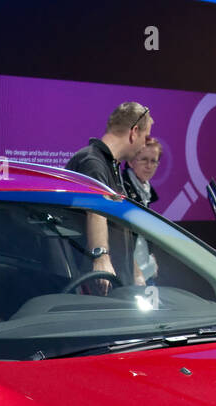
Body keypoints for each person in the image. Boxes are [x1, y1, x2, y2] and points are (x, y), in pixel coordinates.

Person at [66, 102, 154, 287]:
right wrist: (101, 257)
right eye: (145, 137)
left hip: (118, 283)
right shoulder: (92, 162)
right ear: (134, 131)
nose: (144, 145)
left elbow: (119, 230)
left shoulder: (111, 166)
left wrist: (136, 272)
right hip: (96, 283)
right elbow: (96, 211)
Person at [123, 137, 162, 283]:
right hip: (130, 273)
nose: (149, 165)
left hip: (146, 269)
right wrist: (136, 272)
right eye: (144, 159)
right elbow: (120, 238)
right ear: (131, 161)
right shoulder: (122, 189)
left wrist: (150, 257)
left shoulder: (146, 191)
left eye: (153, 161)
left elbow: (142, 235)